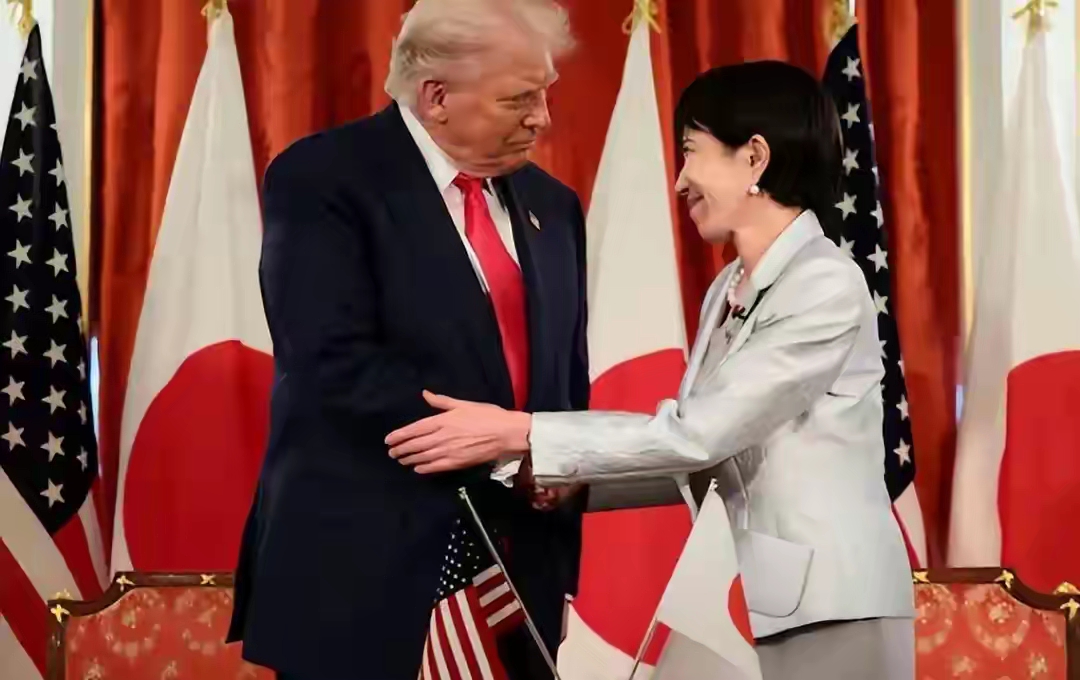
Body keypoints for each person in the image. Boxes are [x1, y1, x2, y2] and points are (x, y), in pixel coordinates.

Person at [388, 61, 917, 680]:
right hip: (740, 594)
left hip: (829, 606)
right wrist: (573, 482)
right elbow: (709, 458)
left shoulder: (823, 283)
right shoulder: (727, 287)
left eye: (691, 152)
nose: (681, 181)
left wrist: (521, 432)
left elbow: (700, 434)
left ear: (754, 158)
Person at [226, 1, 589, 678]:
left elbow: (565, 378)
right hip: (362, 575)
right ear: (436, 96)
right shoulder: (324, 178)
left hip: (518, 575)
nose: (542, 117)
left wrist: (556, 467)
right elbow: (332, 363)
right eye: (519, 98)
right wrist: (511, 449)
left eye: (545, 93)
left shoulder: (555, 206)